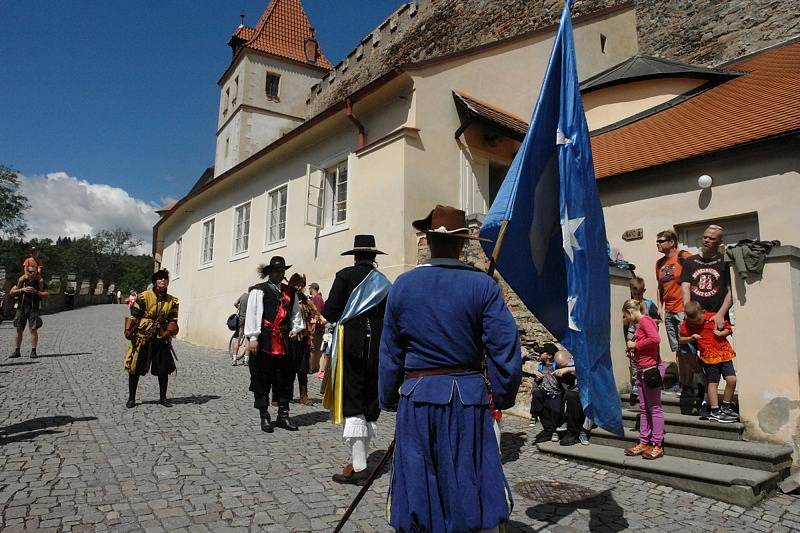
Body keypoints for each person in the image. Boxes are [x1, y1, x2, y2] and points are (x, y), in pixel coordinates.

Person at [379, 205, 521, 532]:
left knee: (420, 478)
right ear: (461, 244)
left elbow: (390, 352)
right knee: (464, 476)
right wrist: (502, 393)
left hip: (416, 399)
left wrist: (388, 397)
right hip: (467, 400)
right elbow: (505, 344)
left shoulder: (402, 285)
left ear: (429, 242)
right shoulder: (483, 286)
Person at [323, 235, 391, 485]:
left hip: (351, 343)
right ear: (374, 257)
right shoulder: (384, 282)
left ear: (355, 255)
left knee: (352, 400)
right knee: (369, 399)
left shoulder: (345, 276)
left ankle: (360, 467)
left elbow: (329, 311)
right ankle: (359, 459)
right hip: (378, 345)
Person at [243, 256, 302, 433]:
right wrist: (252, 337)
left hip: (284, 341)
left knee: (285, 378)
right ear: (270, 272)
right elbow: (252, 314)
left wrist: (296, 329)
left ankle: (283, 415)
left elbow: (295, 314)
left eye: (283, 270)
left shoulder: (290, 292)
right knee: (262, 378)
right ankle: (264, 415)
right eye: (277, 270)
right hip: (265, 340)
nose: (280, 273)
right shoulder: (258, 290)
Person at [680, 224, 732, 418]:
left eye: (712, 238)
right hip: (695, 318)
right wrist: (688, 311)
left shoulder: (724, 261)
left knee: (717, 360)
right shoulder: (690, 261)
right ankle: (703, 384)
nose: (707, 240)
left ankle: (712, 402)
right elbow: (685, 288)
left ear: (719, 241)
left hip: (715, 317)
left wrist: (721, 314)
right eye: (705, 236)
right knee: (686, 351)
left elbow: (730, 290)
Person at [655, 229, 700, 403]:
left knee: (687, 348)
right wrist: (660, 308)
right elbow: (661, 287)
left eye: (661, 241)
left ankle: (695, 383)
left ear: (672, 242)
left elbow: (696, 278)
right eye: (657, 241)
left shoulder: (684, 256)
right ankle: (685, 384)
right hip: (669, 311)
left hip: (683, 310)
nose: (658, 244)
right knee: (678, 349)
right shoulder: (659, 263)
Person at [123, 269, 179, 408]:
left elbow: (173, 318)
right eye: (160, 278)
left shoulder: (172, 301)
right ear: (155, 281)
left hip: (161, 337)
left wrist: (168, 332)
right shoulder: (143, 296)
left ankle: (163, 398)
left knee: (164, 369)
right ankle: (131, 398)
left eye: (165, 279)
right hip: (143, 335)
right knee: (135, 368)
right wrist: (129, 330)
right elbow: (134, 315)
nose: (163, 281)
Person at [680, 301, 738, 423]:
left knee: (732, 379)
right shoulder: (688, 324)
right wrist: (691, 338)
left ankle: (726, 406)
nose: (698, 323)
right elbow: (680, 339)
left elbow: (728, 328)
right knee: (713, 383)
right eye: (694, 322)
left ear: (703, 312)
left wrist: (721, 333)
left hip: (724, 354)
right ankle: (715, 409)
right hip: (709, 357)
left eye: (699, 319)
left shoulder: (713, 317)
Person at [622, 299, 665, 460]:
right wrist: (633, 351)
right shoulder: (640, 325)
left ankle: (657, 444)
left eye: (626, 315)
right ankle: (644, 441)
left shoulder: (646, 321)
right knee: (643, 408)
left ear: (631, 311)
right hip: (642, 369)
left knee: (654, 408)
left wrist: (636, 346)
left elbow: (655, 340)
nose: (627, 319)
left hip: (650, 370)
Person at [625, 277, 660, 403]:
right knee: (634, 360)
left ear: (644, 291)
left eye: (640, 293)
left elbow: (658, 319)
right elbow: (625, 320)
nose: (638, 296)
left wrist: (649, 321)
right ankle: (636, 383)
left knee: (647, 360)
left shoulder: (649, 304)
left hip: (645, 336)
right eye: (635, 294)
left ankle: (650, 380)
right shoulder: (630, 304)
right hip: (632, 334)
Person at [9, 265, 48, 358]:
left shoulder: (39, 282)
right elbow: (11, 292)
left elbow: (46, 294)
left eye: (33, 271)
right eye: (29, 271)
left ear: (36, 272)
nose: (31, 273)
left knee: (33, 330)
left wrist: (36, 292)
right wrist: (22, 289)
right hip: (21, 308)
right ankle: (17, 351)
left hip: (33, 309)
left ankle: (33, 351)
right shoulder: (21, 280)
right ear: (26, 271)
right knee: (19, 330)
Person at [287, 273, 314, 405]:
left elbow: (312, 314)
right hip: (289, 338)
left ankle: (304, 395)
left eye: (301, 285)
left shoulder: (304, 299)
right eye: (296, 285)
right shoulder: (286, 297)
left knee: (302, 369)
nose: (299, 288)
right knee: (287, 369)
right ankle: (284, 395)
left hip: (302, 337)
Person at [529, 342, 558, 429]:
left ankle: (554, 430)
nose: (539, 354)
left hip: (555, 391)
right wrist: (536, 376)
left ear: (549, 355)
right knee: (536, 393)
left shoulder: (556, 365)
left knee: (555, 411)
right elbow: (536, 382)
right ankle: (534, 416)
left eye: (541, 353)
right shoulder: (541, 366)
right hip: (543, 390)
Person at [308, 282, 326, 375]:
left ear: (312, 288)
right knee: (311, 347)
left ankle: (311, 368)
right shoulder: (315, 298)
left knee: (312, 347)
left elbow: (317, 313)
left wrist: (313, 327)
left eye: (309, 288)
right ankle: (310, 367)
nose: (309, 290)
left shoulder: (318, 298)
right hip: (313, 326)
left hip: (316, 327)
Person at [232, 291, 250, 366]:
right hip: (249, 320)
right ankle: (246, 360)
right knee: (247, 340)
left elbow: (235, 303)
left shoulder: (243, 295)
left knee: (237, 339)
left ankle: (234, 359)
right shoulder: (252, 297)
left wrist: (239, 308)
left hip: (241, 320)